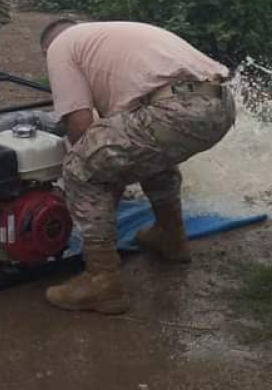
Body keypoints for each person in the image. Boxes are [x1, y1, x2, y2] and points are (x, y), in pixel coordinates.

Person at [40, 19, 236, 314]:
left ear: (47, 48)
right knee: (145, 152)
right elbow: (122, 142)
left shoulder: (60, 47)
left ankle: (101, 280)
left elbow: (80, 128)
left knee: (80, 167)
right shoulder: (108, 37)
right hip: (220, 105)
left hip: (175, 111)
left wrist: (77, 196)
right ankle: (170, 235)